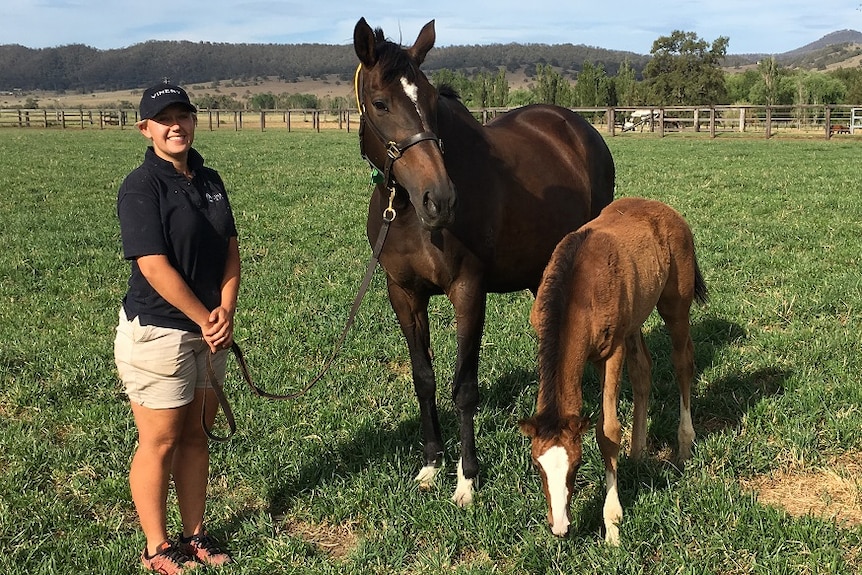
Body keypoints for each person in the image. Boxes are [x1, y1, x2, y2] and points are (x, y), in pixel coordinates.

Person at [114, 82, 240, 574]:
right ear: (145, 129)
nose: (175, 125)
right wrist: (203, 318)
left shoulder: (210, 179)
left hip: (210, 329)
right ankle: (157, 547)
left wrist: (224, 310)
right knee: (161, 441)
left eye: (182, 115)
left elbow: (229, 248)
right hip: (160, 333)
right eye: (163, 118)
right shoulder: (141, 187)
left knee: (196, 435)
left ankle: (195, 534)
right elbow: (152, 265)